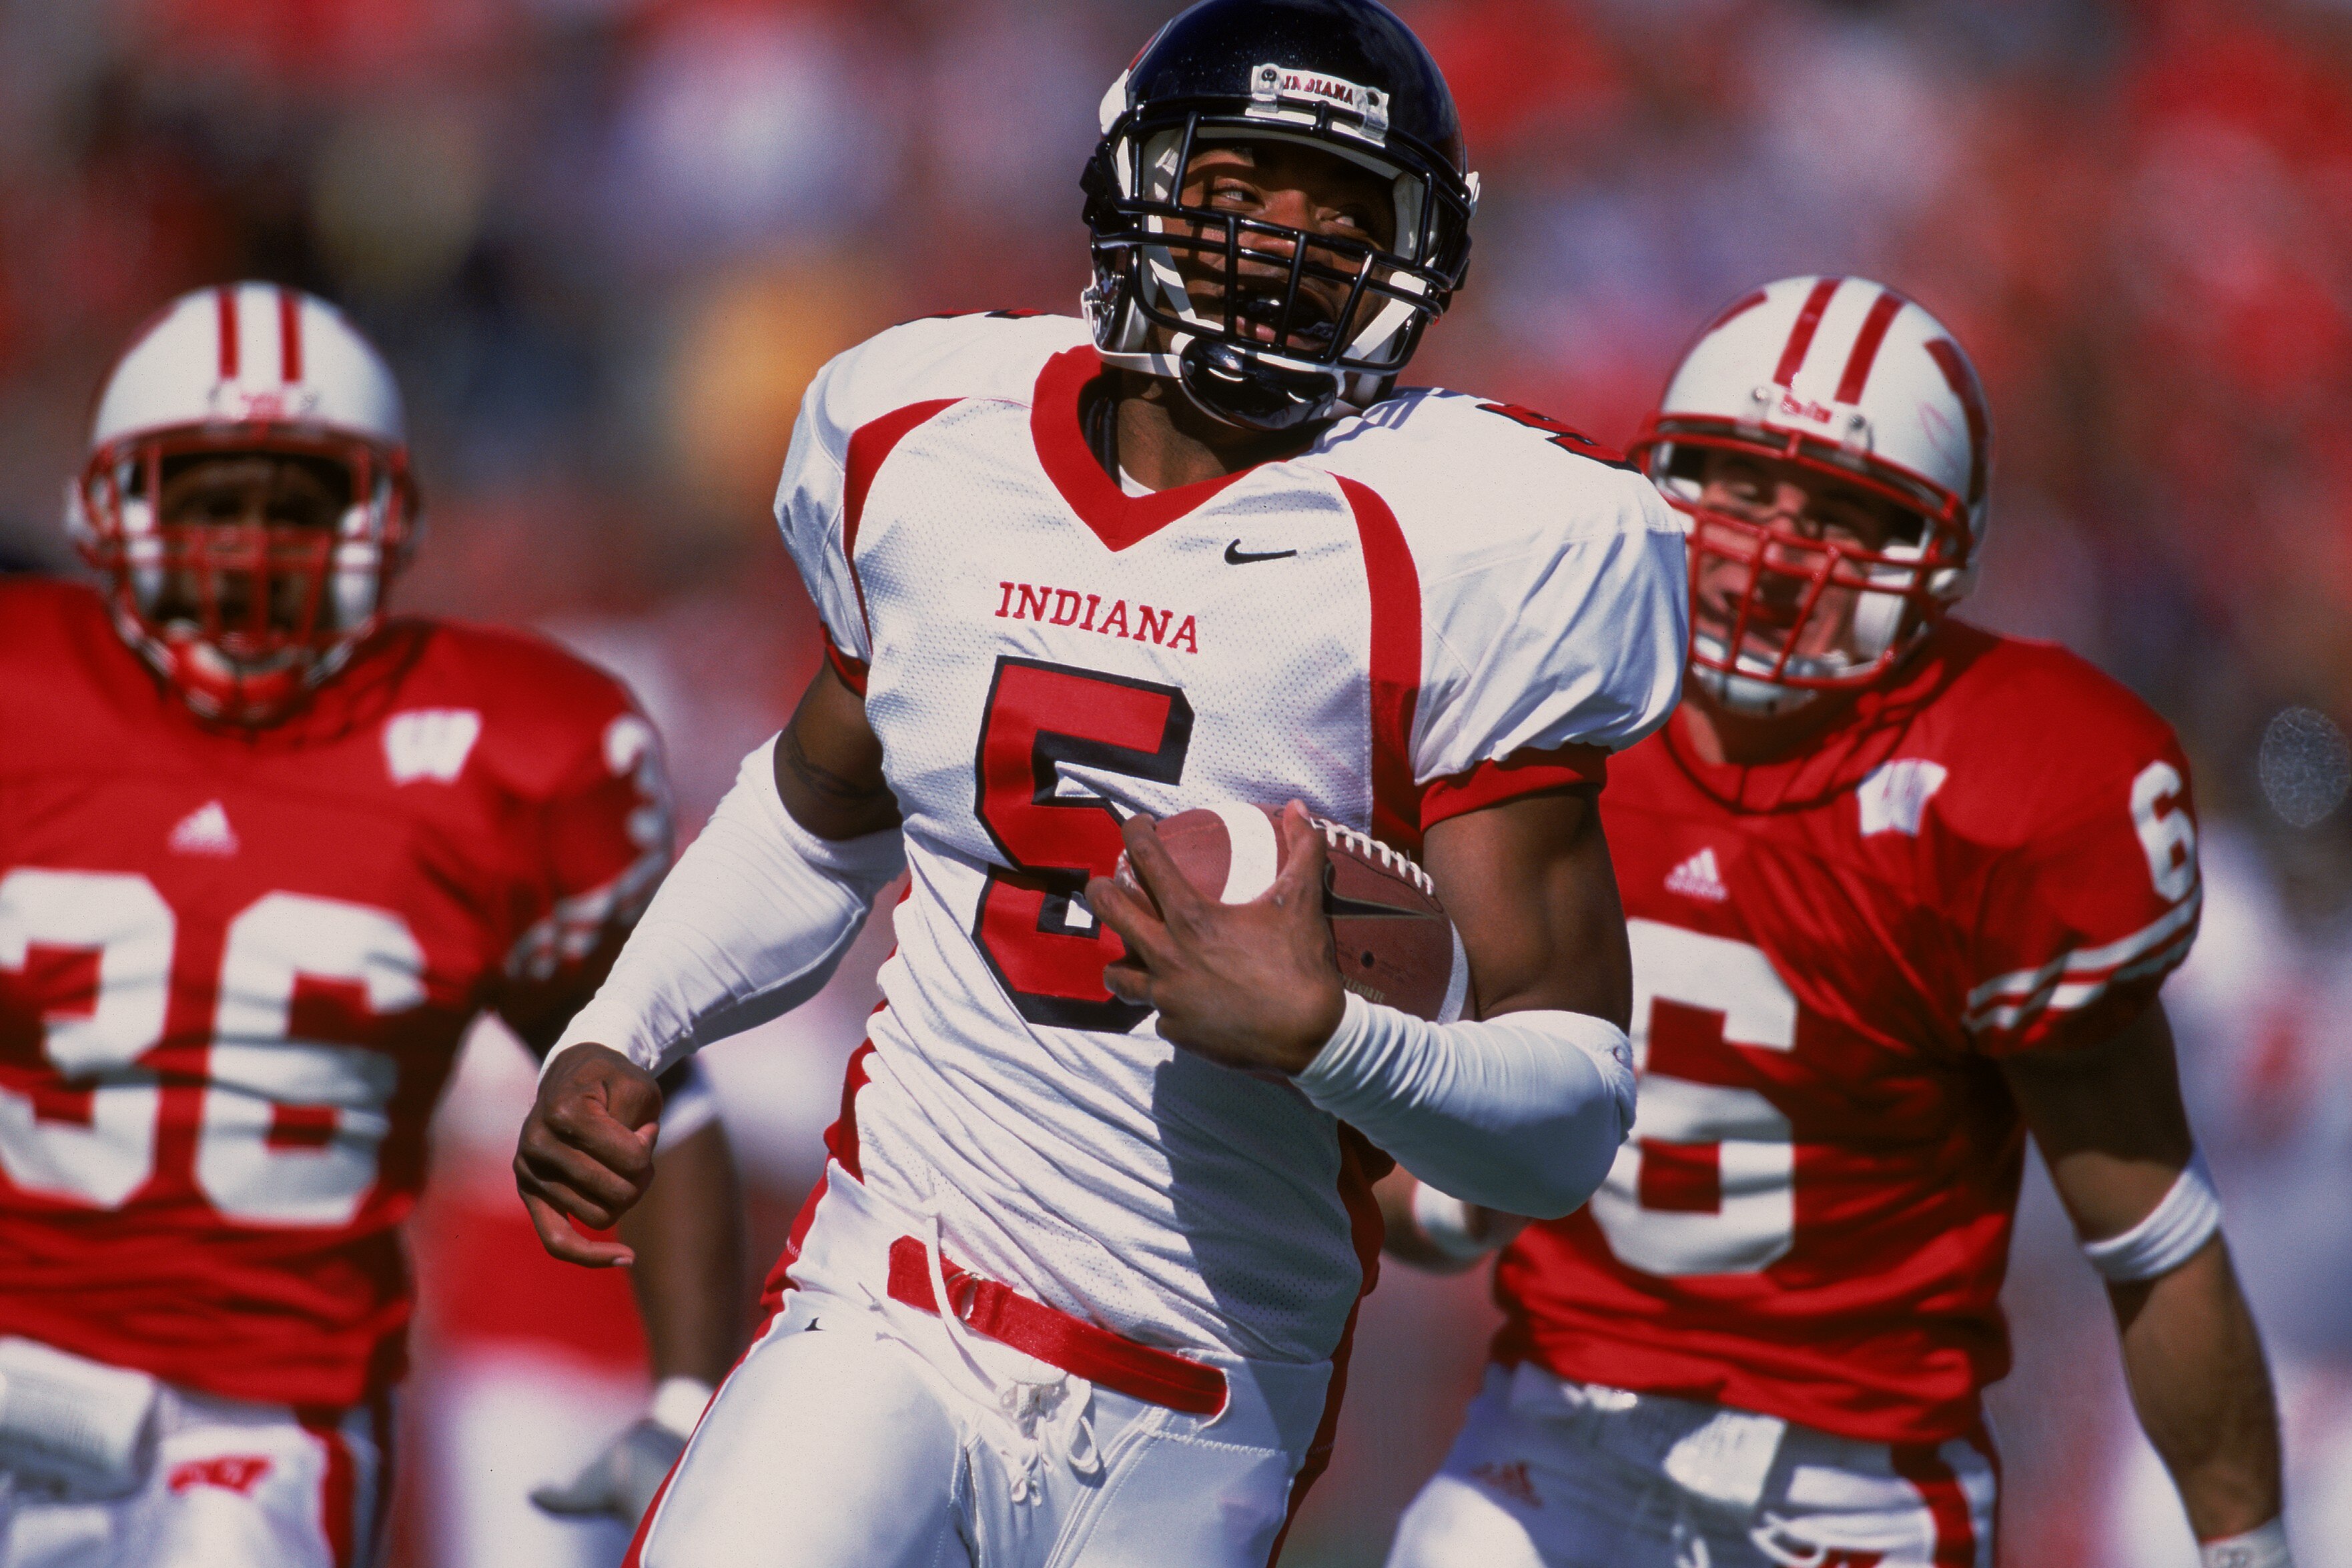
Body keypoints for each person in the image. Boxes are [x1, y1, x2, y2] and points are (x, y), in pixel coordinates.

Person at [512, 1, 1688, 1563]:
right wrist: (627, 1023)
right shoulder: (925, 435)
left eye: (1344, 212)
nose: (1287, 242)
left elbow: (1568, 1114)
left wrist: (1330, 1037)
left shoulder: (1479, 535)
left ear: (1416, 256)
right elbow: (818, 810)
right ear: (1142, 179)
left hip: (1201, 1389)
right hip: (893, 1292)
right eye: (1248, 185)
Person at [1380, 275, 2291, 1568]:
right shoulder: (1545, 700)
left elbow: (2149, 1232)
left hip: (1853, 1490)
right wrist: (1415, 1160)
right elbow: (1438, 1167)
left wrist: (2245, 1548)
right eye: (1742, 486)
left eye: (1845, 511)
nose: (1775, 548)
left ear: (1943, 555)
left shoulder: (2015, 782)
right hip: (1555, 1435)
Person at [0, 283, 743, 1567]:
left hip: (266, 1409)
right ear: (117, 510)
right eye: (211, 501)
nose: (250, 549)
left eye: (295, 506)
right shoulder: (24, 693)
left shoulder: (502, 752)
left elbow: (652, 1091)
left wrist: (683, 1402)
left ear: (379, 518)